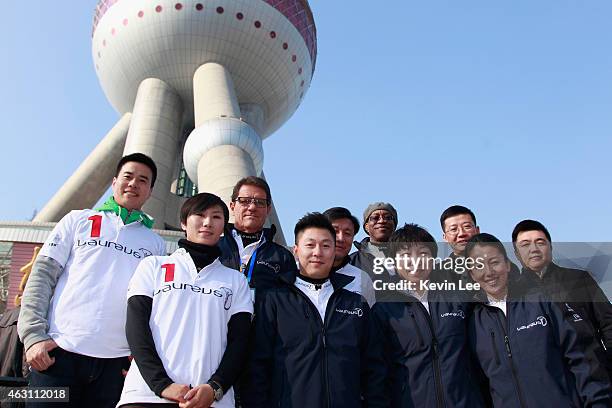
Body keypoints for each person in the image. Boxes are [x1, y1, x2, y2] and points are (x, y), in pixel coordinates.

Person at [17, 153, 166, 407]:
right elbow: (41, 277)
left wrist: (138, 359)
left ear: (150, 191)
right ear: (114, 181)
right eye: (128, 177)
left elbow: (151, 308)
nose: (133, 184)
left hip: (114, 368)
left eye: (143, 180)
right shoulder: (78, 220)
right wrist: (33, 337)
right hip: (56, 356)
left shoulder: (156, 244)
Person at [117, 193, 253, 408]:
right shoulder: (153, 266)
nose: (207, 222)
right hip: (147, 397)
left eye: (216, 217)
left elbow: (240, 341)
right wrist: (161, 385)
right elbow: (136, 328)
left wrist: (215, 388)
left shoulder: (235, 281)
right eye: (199, 214)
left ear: (223, 228)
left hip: (210, 401)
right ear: (183, 222)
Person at [242, 213, 387, 408]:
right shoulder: (273, 300)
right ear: (296, 250)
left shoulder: (355, 303)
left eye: (326, 246)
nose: (318, 252)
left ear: (334, 250)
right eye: (310, 245)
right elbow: (258, 366)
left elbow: (374, 368)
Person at [466, 233, 612, 407]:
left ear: (507, 265)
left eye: (494, 262)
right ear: (472, 274)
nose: (489, 272)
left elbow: (582, 358)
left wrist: (599, 403)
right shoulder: (472, 322)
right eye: (479, 266)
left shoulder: (542, 301)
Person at [371, 224, 485, 407]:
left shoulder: (459, 299)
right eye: (406, 255)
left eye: (423, 254)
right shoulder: (384, 310)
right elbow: (377, 371)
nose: (415, 261)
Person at [512, 219, 612, 373]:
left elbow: (608, 322)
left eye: (540, 242)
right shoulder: (514, 292)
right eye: (525, 245)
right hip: (549, 380)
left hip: (594, 371)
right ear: (517, 254)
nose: (534, 249)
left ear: (550, 247)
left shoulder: (579, 278)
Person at [218, 176, 297, 297]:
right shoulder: (214, 248)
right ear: (232, 206)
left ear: (268, 209)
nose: (252, 207)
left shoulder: (282, 257)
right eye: (245, 201)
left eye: (260, 202)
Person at [323, 207, 376, 307]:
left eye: (347, 233)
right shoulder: (297, 272)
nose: (341, 238)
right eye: (334, 231)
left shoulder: (362, 279)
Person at [350, 202, 398, 283]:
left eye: (388, 217)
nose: (382, 221)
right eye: (375, 218)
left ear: (394, 224)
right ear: (366, 226)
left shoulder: (407, 258)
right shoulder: (352, 261)